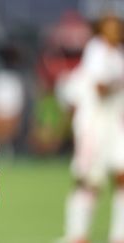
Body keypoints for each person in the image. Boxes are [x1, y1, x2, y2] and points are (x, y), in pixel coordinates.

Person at [59, 13, 124, 243]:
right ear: (101, 29)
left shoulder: (116, 54)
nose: (115, 32)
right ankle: (77, 234)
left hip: (114, 125)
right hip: (94, 126)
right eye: (110, 27)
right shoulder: (97, 51)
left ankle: (119, 234)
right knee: (88, 179)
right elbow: (100, 87)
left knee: (121, 177)